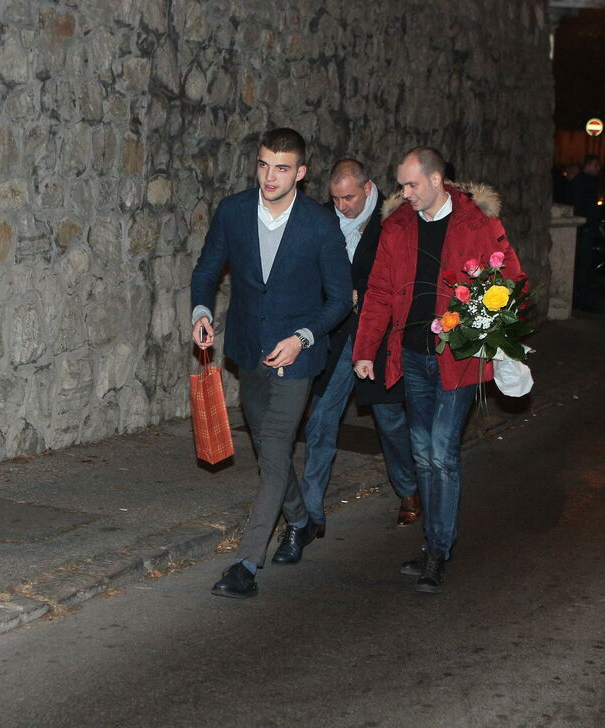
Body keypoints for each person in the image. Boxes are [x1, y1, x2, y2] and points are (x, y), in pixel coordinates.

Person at [353, 147, 524, 594]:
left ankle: (438, 550)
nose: (404, 193)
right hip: (411, 355)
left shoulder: (477, 223)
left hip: (458, 359)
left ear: (435, 180)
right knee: (422, 452)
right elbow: (378, 291)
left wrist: (484, 321)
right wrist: (366, 349)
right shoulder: (398, 226)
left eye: (411, 184)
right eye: (401, 185)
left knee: (441, 453)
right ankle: (433, 542)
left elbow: (512, 280)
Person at [190, 128, 352, 599]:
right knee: (268, 449)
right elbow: (206, 270)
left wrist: (303, 338)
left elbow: (340, 298)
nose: (270, 176)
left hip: (297, 358)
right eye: (263, 165)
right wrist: (201, 312)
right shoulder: (234, 211)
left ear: (300, 173)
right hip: (248, 351)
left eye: (281, 168)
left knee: (276, 444)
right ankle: (301, 520)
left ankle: (246, 563)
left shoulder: (319, 225)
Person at [299, 160, 418, 536]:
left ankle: (409, 489)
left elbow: (403, 279)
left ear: (368, 189)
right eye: (336, 199)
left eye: (348, 198)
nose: (342, 206)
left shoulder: (395, 219)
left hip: (379, 336)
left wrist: (360, 295)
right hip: (337, 336)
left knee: (390, 419)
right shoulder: (322, 219)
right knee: (321, 418)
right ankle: (312, 512)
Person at [568, 154, 602, 312]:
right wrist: (588, 224)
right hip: (583, 230)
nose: (598, 169)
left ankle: (581, 298)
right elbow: (582, 206)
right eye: (596, 165)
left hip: (586, 229)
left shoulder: (587, 182)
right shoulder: (583, 182)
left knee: (583, 266)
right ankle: (581, 299)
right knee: (582, 266)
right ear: (588, 165)